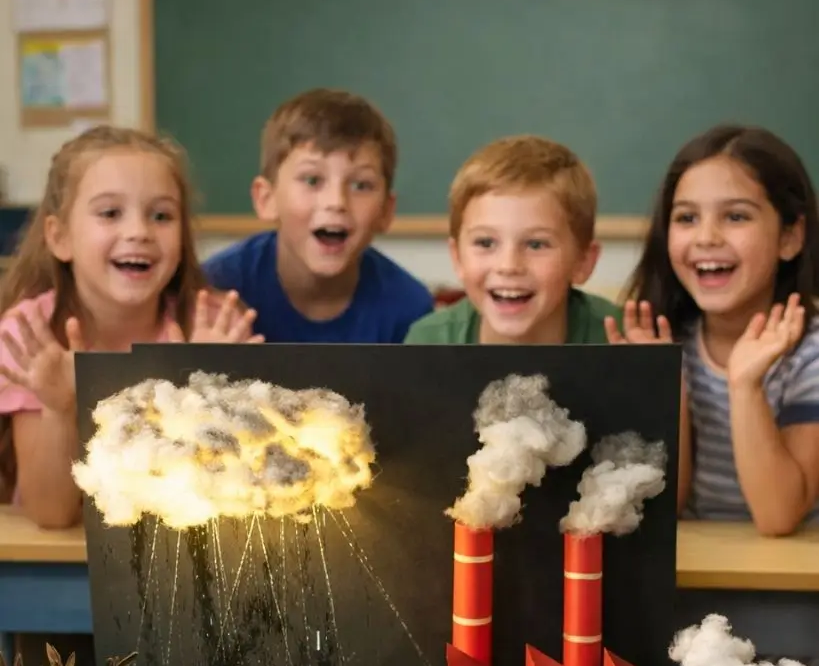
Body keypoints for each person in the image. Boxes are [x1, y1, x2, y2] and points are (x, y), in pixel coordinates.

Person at [0, 124, 262, 530]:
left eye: (161, 215)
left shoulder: (211, 325)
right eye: (110, 213)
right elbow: (52, 514)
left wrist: (207, 395)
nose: (139, 232)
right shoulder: (32, 334)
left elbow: (226, 503)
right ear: (60, 237)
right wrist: (57, 409)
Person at [607, 123, 819, 535]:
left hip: (792, 584)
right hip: (696, 573)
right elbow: (669, 506)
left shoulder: (811, 354)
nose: (706, 237)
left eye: (736, 216)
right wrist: (668, 384)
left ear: (790, 237)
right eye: (686, 218)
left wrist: (745, 387)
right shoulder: (663, 339)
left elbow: (778, 517)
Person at [202, 88, 433, 342]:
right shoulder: (216, 289)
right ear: (266, 199)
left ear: (386, 211)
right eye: (312, 180)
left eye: (361, 185)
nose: (336, 202)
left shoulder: (410, 308)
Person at [404, 135, 621, 345]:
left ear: (583, 261)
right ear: (457, 257)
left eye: (536, 244)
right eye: (486, 243)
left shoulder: (621, 339)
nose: (508, 266)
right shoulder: (430, 343)